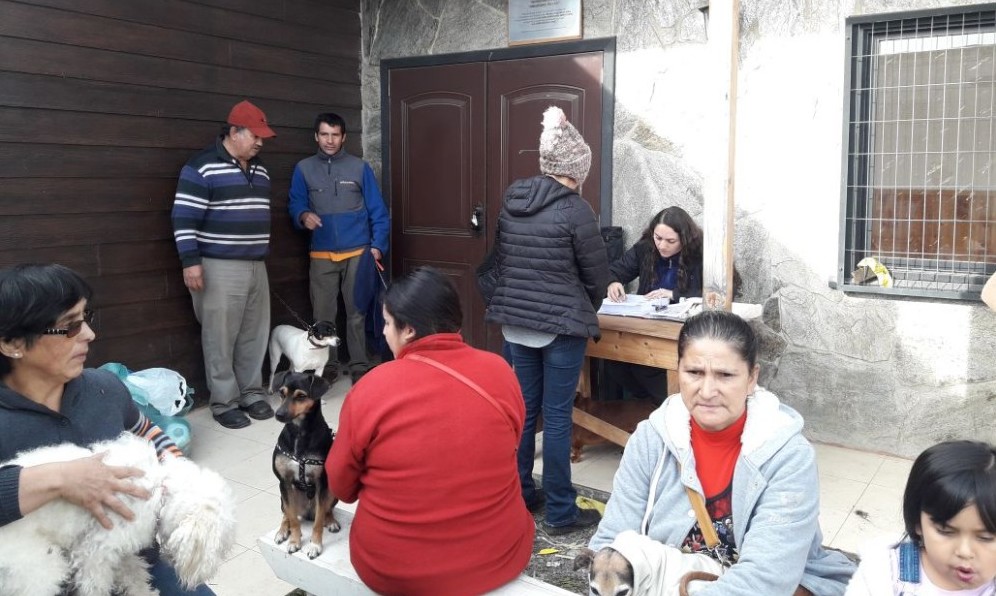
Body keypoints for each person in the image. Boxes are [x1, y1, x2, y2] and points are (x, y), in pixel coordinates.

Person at [589, 310, 856, 595]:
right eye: (694, 372)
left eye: (725, 375)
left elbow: (765, 580)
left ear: (752, 377)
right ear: (677, 369)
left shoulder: (788, 457)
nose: (707, 391)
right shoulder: (649, 440)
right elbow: (611, 540)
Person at [0, 263, 213, 595]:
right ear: (13, 343)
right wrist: (58, 479)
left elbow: (148, 431)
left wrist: (182, 477)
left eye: (86, 319)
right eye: (69, 326)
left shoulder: (105, 387)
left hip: (135, 563)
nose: (89, 335)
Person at [326, 267, 533, 596]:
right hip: (498, 556)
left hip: (391, 568)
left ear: (408, 330)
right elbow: (511, 444)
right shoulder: (500, 371)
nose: (384, 333)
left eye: (387, 324)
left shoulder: (371, 389)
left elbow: (341, 485)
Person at [484, 105, 610, 535]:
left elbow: (501, 261)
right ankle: (560, 511)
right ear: (577, 169)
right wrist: (582, 304)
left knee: (524, 412)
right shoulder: (576, 210)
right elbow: (596, 276)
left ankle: (520, 493)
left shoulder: (512, 199)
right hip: (559, 328)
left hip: (516, 324)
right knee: (557, 417)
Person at [171, 99, 276, 429]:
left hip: (256, 265)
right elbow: (183, 217)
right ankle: (224, 402)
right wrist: (191, 262)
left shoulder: (260, 170)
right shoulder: (202, 167)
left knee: (253, 335)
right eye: (255, 136)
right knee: (220, 336)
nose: (260, 142)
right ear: (234, 131)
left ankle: (252, 394)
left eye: (262, 137)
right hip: (218, 266)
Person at [288, 112, 390, 385]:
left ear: (344, 137)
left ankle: (359, 364)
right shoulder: (303, 168)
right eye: (324, 134)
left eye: (335, 135)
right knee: (323, 314)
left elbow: (378, 210)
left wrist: (378, 245)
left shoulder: (359, 168)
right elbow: (295, 204)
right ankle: (328, 365)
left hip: (358, 252)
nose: (330, 140)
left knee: (356, 312)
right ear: (316, 136)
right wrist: (303, 216)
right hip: (321, 254)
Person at [845, 440, 996, 595]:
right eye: (945, 530)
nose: (964, 551)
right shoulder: (883, 572)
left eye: (986, 537)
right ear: (917, 521)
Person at [603, 206, 705, 404]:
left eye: (670, 241)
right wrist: (612, 281)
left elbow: (715, 294)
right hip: (645, 326)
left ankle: (674, 406)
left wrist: (674, 294)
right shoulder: (646, 248)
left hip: (684, 331)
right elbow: (615, 270)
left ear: (684, 239)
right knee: (613, 361)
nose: (662, 245)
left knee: (649, 367)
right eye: (658, 238)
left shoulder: (700, 253)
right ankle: (649, 402)